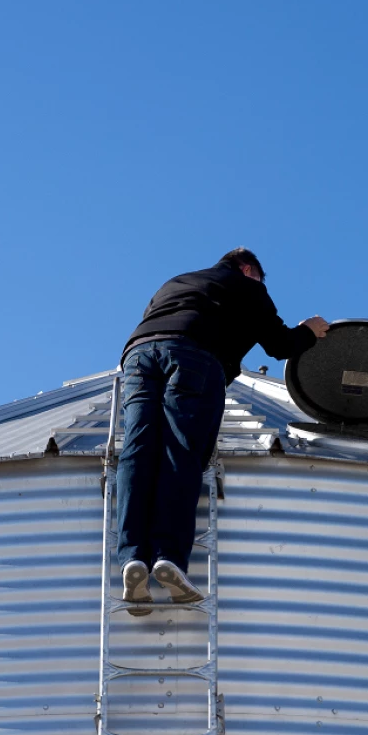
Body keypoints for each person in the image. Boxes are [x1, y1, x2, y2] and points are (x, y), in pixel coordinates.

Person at [115, 247, 329, 609]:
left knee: (137, 451)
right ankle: (168, 557)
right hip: (194, 356)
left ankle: (132, 557)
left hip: (139, 353)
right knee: (180, 452)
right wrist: (309, 331)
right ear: (247, 268)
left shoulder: (175, 282)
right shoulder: (246, 286)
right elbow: (279, 345)